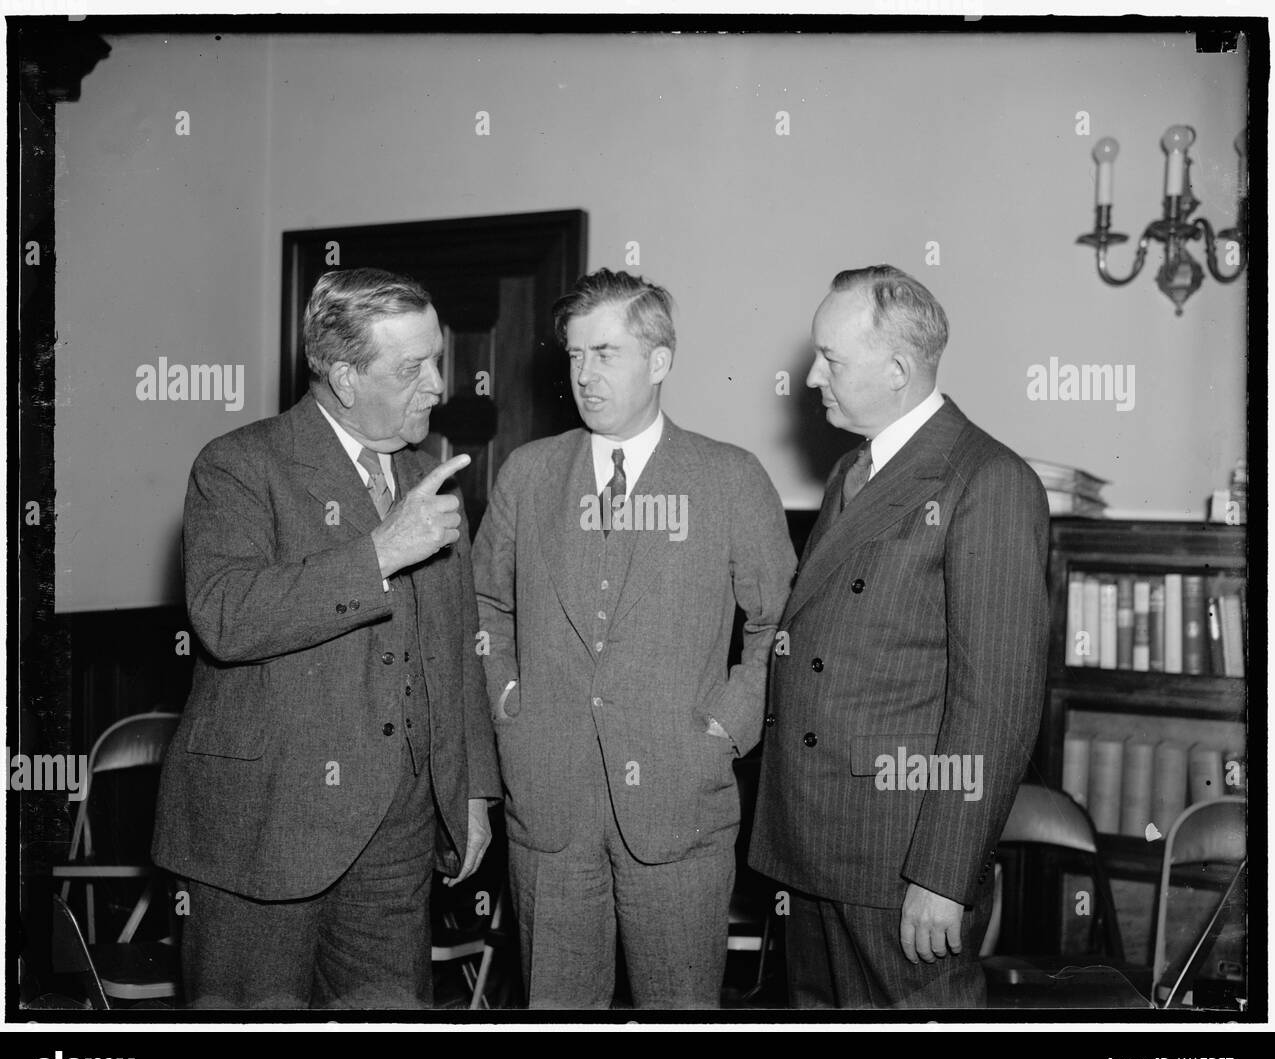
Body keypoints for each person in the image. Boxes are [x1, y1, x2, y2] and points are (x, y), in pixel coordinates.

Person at [152, 267, 501, 1009]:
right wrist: (378, 552)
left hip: (396, 832)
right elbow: (225, 614)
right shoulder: (239, 465)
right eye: (412, 368)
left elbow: (458, 646)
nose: (439, 384)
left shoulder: (430, 476)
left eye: (436, 358)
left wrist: (470, 789)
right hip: (265, 828)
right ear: (344, 375)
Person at [473, 268, 796, 1008]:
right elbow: (484, 603)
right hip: (548, 801)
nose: (584, 374)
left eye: (606, 353)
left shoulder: (730, 478)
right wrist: (510, 700)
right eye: (576, 354)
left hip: (680, 804)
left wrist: (725, 727)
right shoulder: (529, 474)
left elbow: (779, 626)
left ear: (659, 362)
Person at [749, 265, 1050, 1009]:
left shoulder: (987, 480)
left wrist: (943, 875)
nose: (812, 374)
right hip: (816, 839)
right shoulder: (855, 469)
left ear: (897, 369)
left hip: (900, 856)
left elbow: (997, 705)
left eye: (832, 359)